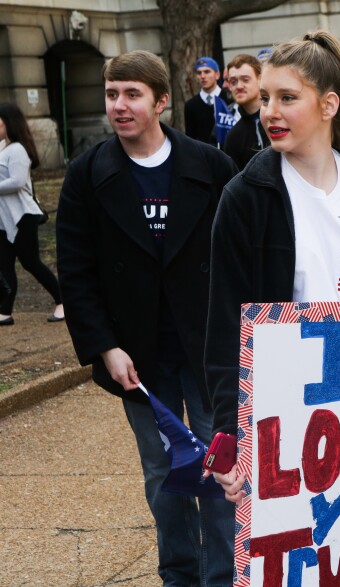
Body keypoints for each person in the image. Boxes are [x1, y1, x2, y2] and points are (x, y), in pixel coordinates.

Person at [204, 32, 340, 476]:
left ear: (328, 105)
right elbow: (228, 325)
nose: (270, 112)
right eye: (265, 98)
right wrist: (232, 432)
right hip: (283, 410)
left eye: (288, 97)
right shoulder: (245, 196)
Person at [56, 50, 238, 586]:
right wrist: (103, 345)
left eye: (132, 94)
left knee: (219, 467)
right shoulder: (89, 174)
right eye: (112, 94)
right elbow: (76, 268)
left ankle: (224, 576)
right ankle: (179, 574)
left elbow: (236, 259)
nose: (119, 105)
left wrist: (240, 336)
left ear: (161, 102)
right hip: (136, 353)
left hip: (207, 350)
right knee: (163, 473)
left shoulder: (210, 166)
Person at [0, 102, 63, 326]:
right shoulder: (2, 148)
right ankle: (4, 311)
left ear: (8, 122)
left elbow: (17, 182)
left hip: (23, 216)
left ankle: (62, 301)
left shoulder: (16, 149)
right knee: (5, 264)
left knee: (30, 262)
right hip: (4, 220)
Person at [222, 53, 269, 169]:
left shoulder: (279, 118)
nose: (239, 86)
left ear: (260, 79)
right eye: (233, 81)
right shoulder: (233, 136)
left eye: (245, 80)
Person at [184, 56, 233, 147]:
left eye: (207, 72)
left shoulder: (229, 99)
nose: (202, 76)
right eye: (199, 73)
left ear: (217, 75)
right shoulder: (191, 105)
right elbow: (190, 138)